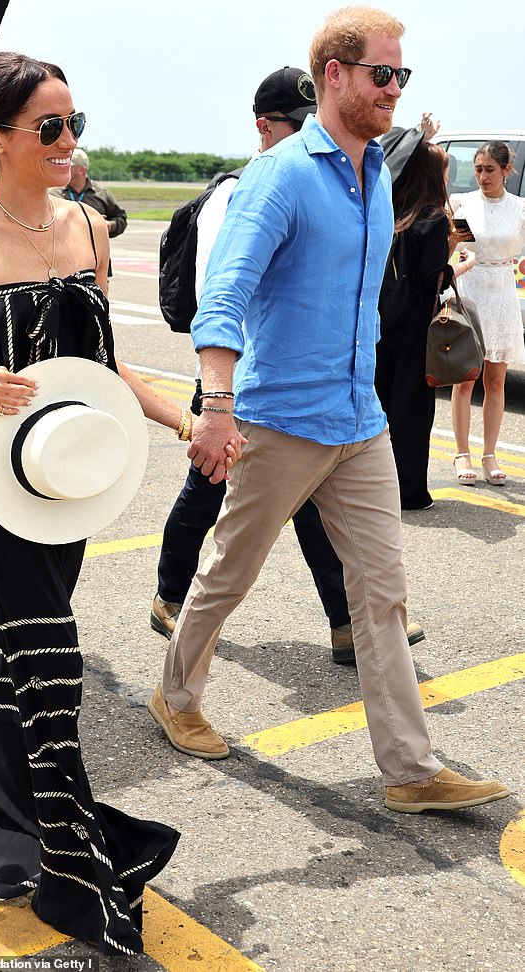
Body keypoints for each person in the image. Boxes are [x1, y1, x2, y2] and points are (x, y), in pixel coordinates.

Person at [0, 52, 236, 953]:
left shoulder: (88, 228)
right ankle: (69, 862)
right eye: (50, 127)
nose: (69, 142)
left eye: (74, 124)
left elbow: (104, 370)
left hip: (72, 473)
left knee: (7, 652)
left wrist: (181, 421)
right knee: (51, 658)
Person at [147, 5, 509, 815]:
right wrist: (215, 404)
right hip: (279, 421)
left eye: (402, 75)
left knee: (381, 593)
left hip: (360, 422)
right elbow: (227, 294)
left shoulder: (377, 172)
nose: (394, 88)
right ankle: (175, 694)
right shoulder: (281, 176)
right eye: (383, 73)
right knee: (228, 574)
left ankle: (411, 770)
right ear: (334, 76)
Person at [151, 65, 423, 663]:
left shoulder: (337, 177)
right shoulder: (246, 190)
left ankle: (347, 621)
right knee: (209, 501)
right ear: (263, 127)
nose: (305, 133)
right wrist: (219, 397)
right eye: (292, 124)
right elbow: (220, 294)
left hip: (313, 395)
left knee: (299, 512)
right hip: (239, 378)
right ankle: (172, 598)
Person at [376, 127, 476, 509]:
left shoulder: (394, 211)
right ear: (434, 174)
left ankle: (376, 488)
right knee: (412, 412)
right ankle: (409, 491)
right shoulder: (434, 218)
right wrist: (460, 266)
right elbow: (432, 277)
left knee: (382, 405)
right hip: (418, 325)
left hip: (386, 320)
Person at [450, 141, 525, 485]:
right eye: (478, 169)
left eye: (489, 169)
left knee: (495, 380)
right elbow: (450, 245)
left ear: (507, 171)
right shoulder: (462, 202)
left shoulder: (520, 208)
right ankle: (461, 452)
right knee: (465, 378)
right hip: (471, 289)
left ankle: (489, 454)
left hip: (503, 290)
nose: (482, 176)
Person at [51, 147, 127, 277]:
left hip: (95, 265)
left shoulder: (102, 194)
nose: (64, 166)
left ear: (81, 170)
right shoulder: (54, 194)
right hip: (62, 266)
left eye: (69, 164)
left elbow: (121, 218)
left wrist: (108, 226)